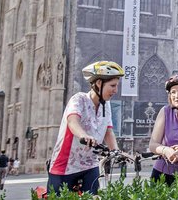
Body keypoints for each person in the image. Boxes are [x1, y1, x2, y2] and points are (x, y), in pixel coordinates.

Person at [47, 61, 125, 195]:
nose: (116, 90)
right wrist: (83, 135)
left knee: (94, 196)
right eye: (112, 85)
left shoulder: (106, 105)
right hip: (65, 166)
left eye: (117, 86)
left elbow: (108, 131)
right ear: (99, 83)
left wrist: (116, 151)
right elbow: (72, 121)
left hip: (90, 164)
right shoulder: (78, 99)